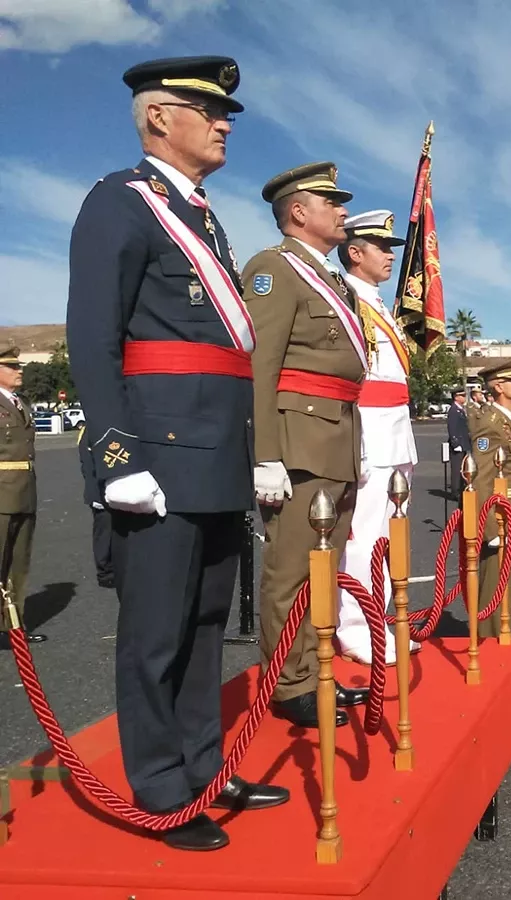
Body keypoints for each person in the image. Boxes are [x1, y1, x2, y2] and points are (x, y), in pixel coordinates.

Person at [66, 57, 286, 851]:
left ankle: (203, 768)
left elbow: (223, 352)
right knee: (155, 633)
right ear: (160, 118)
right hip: (156, 458)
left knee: (202, 624)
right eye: (209, 109)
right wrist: (117, 455)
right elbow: (94, 339)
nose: (225, 121)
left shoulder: (202, 217)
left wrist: (253, 452)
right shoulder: (118, 204)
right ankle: (160, 791)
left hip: (215, 455)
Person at [242, 161, 369, 728]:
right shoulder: (274, 269)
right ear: (299, 211)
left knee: (325, 563)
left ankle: (313, 667)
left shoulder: (332, 278)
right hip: (297, 438)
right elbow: (260, 366)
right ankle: (288, 682)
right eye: (332, 201)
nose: (343, 210)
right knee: (292, 565)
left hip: (337, 432)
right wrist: (265, 454)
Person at [333, 209, 418, 666]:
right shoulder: (347, 299)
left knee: (388, 533)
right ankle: (355, 629)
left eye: (390, 248)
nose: (389, 256)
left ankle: (377, 620)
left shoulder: (378, 303)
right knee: (362, 536)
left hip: (395, 431)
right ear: (354, 252)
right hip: (368, 430)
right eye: (381, 248)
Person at [470, 358, 511, 636]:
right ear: (498, 387)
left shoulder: (508, 421)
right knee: (495, 584)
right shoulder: (490, 424)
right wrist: (490, 529)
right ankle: (489, 642)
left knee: (508, 584)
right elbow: (482, 479)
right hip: (500, 517)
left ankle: (500, 637)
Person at [0, 348, 41, 643]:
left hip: (25, 490)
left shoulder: (21, 403)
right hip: (1, 490)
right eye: (11, 366)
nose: (19, 370)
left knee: (19, 562)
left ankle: (13, 627)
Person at [77, 423, 114, 589]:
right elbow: (88, 465)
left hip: (111, 490)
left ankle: (113, 567)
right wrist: (96, 493)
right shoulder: (91, 429)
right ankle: (105, 572)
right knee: (104, 534)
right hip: (100, 491)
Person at [447, 385, 469, 498]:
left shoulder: (460, 409)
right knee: (456, 469)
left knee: (462, 468)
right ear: (456, 397)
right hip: (458, 444)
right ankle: (455, 491)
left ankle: (460, 488)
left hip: (463, 443)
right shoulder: (454, 410)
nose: (464, 398)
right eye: (462, 396)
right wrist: (455, 443)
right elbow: (452, 427)